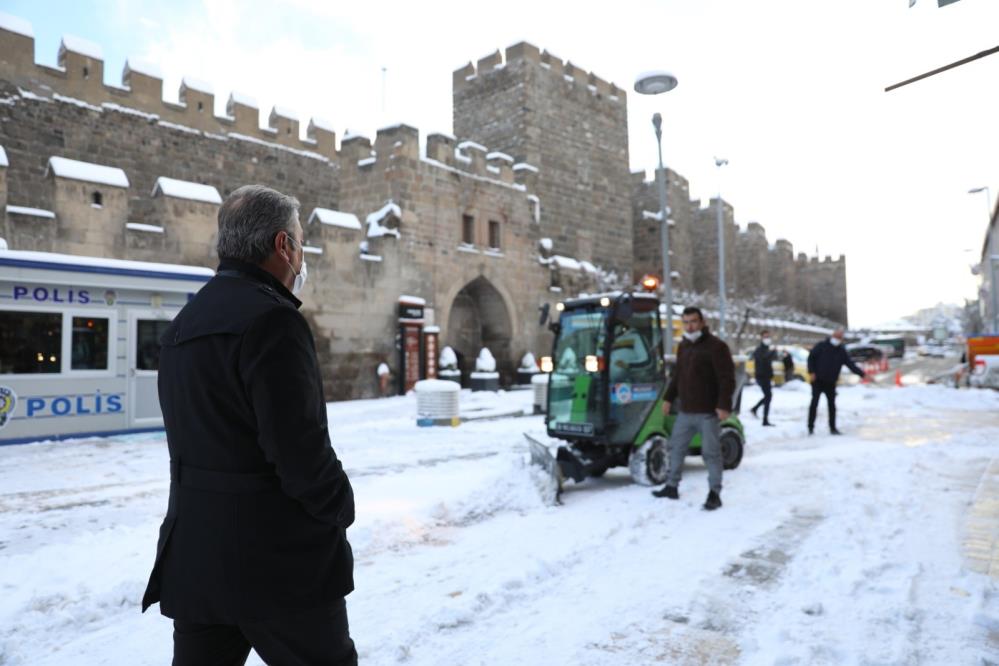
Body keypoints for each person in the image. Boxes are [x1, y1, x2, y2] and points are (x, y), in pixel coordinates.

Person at [141, 185, 357, 665]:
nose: (302, 259)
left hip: (197, 556)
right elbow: (300, 452)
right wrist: (340, 504)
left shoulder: (184, 322)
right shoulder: (273, 321)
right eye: (300, 244)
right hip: (277, 564)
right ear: (284, 246)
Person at [652, 306, 735, 510]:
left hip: (708, 413)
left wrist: (723, 405)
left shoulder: (717, 347)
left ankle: (714, 493)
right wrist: (668, 398)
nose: (689, 326)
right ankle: (671, 486)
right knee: (675, 448)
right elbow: (678, 376)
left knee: (711, 453)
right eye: (686, 322)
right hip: (686, 411)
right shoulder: (684, 346)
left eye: (693, 321)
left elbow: (727, 379)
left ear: (702, 322)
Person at [807, 328, 866, 435]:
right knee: (814, 404)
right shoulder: (821, 346)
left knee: (832, 405)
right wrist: (812, 372)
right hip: (818, 381)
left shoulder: (841, 350)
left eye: (840, 338)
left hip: (831, 382)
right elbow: (811, 358)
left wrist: (862, 374)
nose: (838, 339)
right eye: (836, 337)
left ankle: (833, 428)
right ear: (832, 336)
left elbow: (850, 364)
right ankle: (810, 427)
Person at [750, 330, 777, 426]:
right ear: (761, 338)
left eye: (768, 337)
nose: (767, 339)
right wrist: (772, 352)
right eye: (765, 337)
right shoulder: (759, 350)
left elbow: (772, 359)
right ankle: (764, 419)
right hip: (762, 377)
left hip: (767, 376)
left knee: (768, 396)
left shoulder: (767, 349)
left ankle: (755, 409)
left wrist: (774, 353)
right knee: (768, 396)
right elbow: (763, 359)